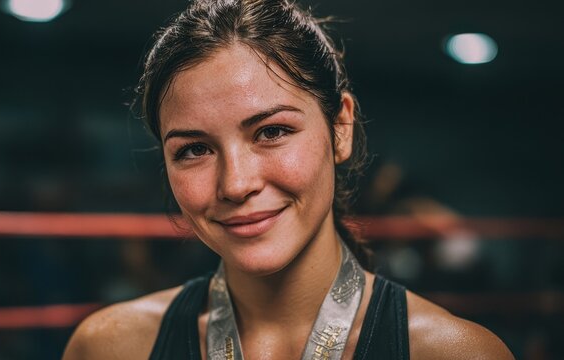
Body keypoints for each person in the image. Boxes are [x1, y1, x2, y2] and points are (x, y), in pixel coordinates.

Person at [63, 0, 514, 358]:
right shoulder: (108, 347)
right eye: (194, 149)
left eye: (272, 132)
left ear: (341, 129)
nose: (236, 184)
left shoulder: (455, 353)